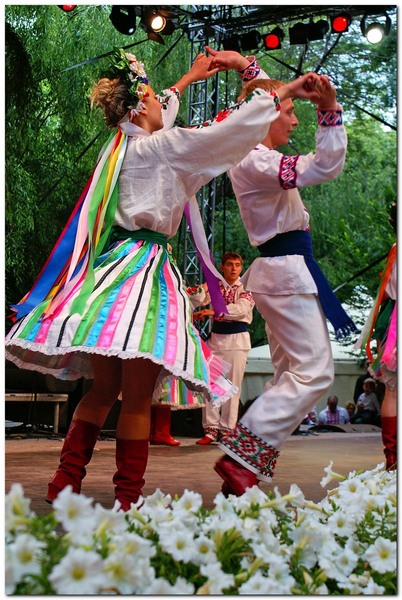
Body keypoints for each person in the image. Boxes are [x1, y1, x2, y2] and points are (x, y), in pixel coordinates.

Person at [5, 48, 324, 510]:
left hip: (107, 274)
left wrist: (189, 77)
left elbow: (162, 109)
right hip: (143, 276)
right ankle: (127, 502)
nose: (163, 101)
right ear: (139, 108)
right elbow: (226, 132)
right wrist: (280, 91)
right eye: (154, 97)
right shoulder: (164, 147)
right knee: (136, 399)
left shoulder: (118, 146)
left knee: (102, 390)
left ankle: (64, 485)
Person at [205, 48, 356, 495]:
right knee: (314, 372)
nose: (293, 120)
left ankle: (244, 473)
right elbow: (324, 165)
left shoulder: (252, 152)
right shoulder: (256, 161)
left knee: (290, 373)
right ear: (266, 116)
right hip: (286, 275)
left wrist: (244, 65)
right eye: (289, 112)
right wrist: (329, 110)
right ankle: (241, 459)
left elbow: (265, 95)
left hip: (281, 274)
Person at [188, 252, 254, 444]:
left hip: (237, 341)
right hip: (216, 340)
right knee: (210, 384)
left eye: (237, 265)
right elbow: (196, 299)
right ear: (222, 267)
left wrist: (213, 311)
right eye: (230, 264)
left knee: (232, 386)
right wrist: (203, 287)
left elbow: (241, 309)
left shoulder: (246, 288)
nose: (234, 268)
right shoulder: (215, 286)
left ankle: (227, 429)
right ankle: (211, 429)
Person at [354, 214, 397, 468]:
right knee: (392, 391)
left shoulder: (395, 249)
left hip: (390, 323)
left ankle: (392, 456)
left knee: (392, 391)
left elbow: (388, 292)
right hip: (393, 325)